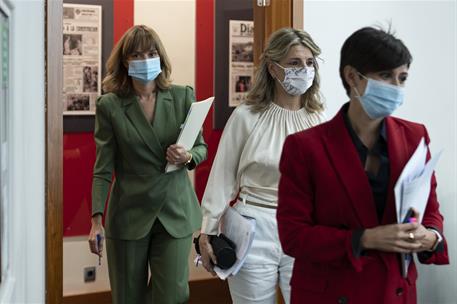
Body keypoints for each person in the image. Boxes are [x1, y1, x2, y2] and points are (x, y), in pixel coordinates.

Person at [277, 27, 449, 304]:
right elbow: (293, 236)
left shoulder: (415, 137)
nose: (395, 86)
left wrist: (430, 237)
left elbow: (429, 211)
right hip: (333, 292)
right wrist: (364, 239)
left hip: (395, 290)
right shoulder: (305, 147)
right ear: (352, 76)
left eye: (402, 78)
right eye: (385, 76)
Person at [198, 28, 325, 304]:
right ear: (273, 67)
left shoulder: (320, 119)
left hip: (304, 226)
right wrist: (206, 230)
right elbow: (222, 176)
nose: (304, 69)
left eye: (309, 63)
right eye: (294, 63)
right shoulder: (247, 116)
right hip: (253, 228)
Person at [88, 25, 207, 304]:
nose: (145, 61)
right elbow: (103, 167)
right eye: (137, 55)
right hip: (129, 213)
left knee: (173, 296)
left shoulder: (182, 96)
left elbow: (200, 148)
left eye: (151, 53)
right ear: (124, 62)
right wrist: (96, 220)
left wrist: (187, 157)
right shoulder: (110, 106)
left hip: (174, 211)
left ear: (160, 58)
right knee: (128, 296)